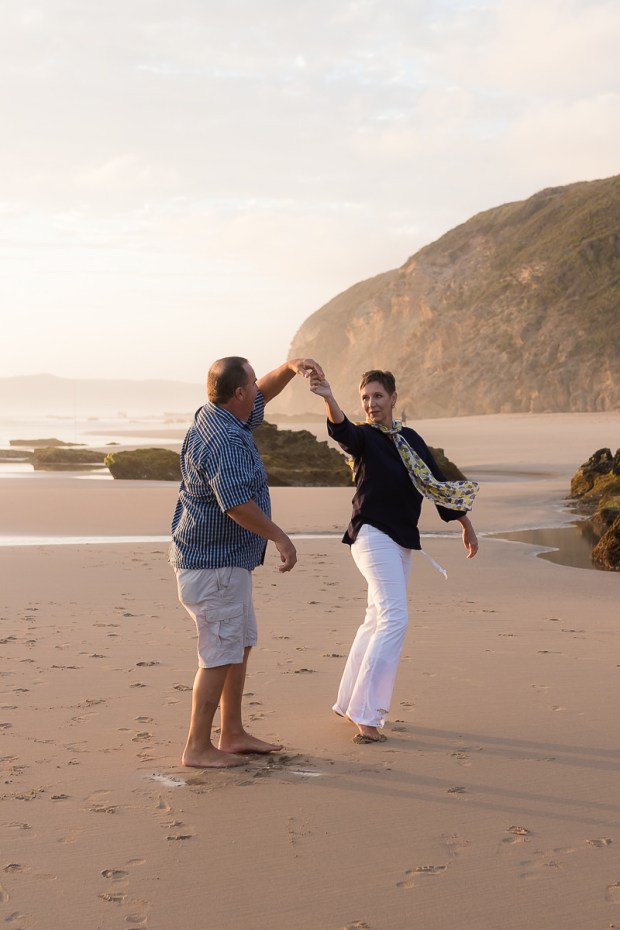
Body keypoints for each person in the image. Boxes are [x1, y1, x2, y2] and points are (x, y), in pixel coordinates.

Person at [309, 368, 479, 743]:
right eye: (366, 398)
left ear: (393, 398)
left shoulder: (411, 440)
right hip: (371, 535)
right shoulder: (365, 437)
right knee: (394, 618)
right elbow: (343, 433)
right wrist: (328, 397)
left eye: (378, 396)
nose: (371, 404)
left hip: (402, 540)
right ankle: (366, 714)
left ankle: (347, 701)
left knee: (375, 619)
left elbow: (437, 484)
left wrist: (465, 524)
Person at [170, 355, 323, 768]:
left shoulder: (217, 413)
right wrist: (280, 537)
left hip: (220, 561)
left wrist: (291, 368)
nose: (258, 389)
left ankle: (232, 733)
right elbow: (236, 504)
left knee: (240, 643)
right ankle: (198, 747)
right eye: (252, 384)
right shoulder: (225, 440)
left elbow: (262, 396)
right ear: (237, 393)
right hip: (212, 565)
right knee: (219, 653)